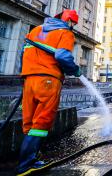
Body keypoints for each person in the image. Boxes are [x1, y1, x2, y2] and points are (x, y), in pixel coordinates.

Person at [17, 10, 81, 175]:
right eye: (73, 23)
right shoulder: (65, 33)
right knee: (42, 122)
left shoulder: (36, 30)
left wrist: (24, 74)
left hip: (29, 79)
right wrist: (75, 70)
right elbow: (63, 56)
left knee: (29, 121)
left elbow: (22, 54)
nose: (73, 27)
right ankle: (27, 163)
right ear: (68, 20)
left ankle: (31, 155)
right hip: (48, 80)